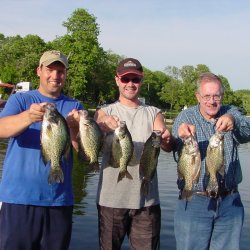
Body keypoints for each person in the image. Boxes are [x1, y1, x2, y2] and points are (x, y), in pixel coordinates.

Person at [0, 50, 83, 250]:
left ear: (65, 74)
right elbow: (2, 129)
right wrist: (28, 117)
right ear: (39, 71)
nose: (55, 75)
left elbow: (82, 153)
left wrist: (73, 128)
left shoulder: (75, 106)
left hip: (59, 201)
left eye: (60, 71)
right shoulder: (21, 100)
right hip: (18, 199)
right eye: (50, 69)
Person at [94, 58, 174, 250]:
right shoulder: (105, 111)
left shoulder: (154, 112)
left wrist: (166, 139)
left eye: (135, 79)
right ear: (117, 80)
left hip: (147, 201)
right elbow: (99, 121)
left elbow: (165, 143)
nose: (130, 84)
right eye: (125, 79)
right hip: (110, 200)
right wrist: (103, 124)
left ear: (141, 81)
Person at [172, 72, 250, 250]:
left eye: (216, 96)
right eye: (206, 96)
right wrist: (181, 133)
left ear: (222, 96)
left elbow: (248, 131)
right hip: (194, 201)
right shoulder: (186, 117)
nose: (212, 101)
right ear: (198, 96)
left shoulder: (230, 112)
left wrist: (234, 121)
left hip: (230, 202)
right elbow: (177, 134)